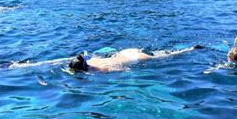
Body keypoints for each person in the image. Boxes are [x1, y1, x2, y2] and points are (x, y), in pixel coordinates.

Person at [68, 45, 204, 72]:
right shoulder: (89, 59)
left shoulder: (99, 69)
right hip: (125, 51)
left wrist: (127, 71)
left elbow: (120, 69)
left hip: (134, 58)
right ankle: (184, 48)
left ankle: (190, 49)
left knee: (166, 56)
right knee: (159, 53)